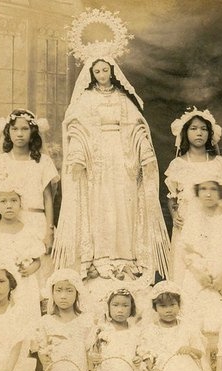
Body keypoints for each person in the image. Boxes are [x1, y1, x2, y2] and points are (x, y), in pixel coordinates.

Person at [53, 9, 169, 280]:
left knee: (123, 201)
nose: (102, 74)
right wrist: (79, 152)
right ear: (91, 73)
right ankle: (99, 257)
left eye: (106, 69)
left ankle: (126, 256)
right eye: (97, 70)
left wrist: (143, 149)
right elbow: (76, 127)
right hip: (96, 160)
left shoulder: (122, 98)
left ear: (112, 71)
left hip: (122, 156)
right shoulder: (86, 99)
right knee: (99, 201)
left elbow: (137, 126)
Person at [165, 107, 222, 283]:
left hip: (214, 222)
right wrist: (174, 215)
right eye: (193, 128)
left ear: (210, 134)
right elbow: (172, 196)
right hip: (187, 221)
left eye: (203, 129)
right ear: (185, 133)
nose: (199, 133)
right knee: (187, 268)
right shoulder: (178, 164)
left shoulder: (219, 163)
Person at [180, 173, 222, 333]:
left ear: (221, 192)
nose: (208, 194)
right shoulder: (193, 218)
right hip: (198, 275)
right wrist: (197, 273)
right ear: (197, 192)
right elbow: (185, 250)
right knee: (197, 319)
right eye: (203, 189)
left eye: (213, 189)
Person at [0, 109, 58, 253]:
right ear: (8, 132)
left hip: (36, 222)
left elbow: (48, 199)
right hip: (8, 223)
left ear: (32, 132)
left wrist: (49, 232)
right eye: (15, 129)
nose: (19, 134)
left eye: (25, 129)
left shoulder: (43, 162)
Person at [32, 269, 92, 371]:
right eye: (59, 290)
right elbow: (42, 347)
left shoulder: (85, 321)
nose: (63, 296)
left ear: (77, 293)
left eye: (69, 290)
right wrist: (44, 358)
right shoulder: (46, 321)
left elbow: (89, 350)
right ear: (52, 293)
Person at [0, 181, 44, 320]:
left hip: (25, 283)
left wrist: (30, 269)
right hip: (2, 285)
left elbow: (37, 260)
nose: (9, 205)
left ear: (20, 203)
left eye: (13, 200)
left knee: (26, 317)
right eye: (3, 201)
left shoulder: (28, 230)